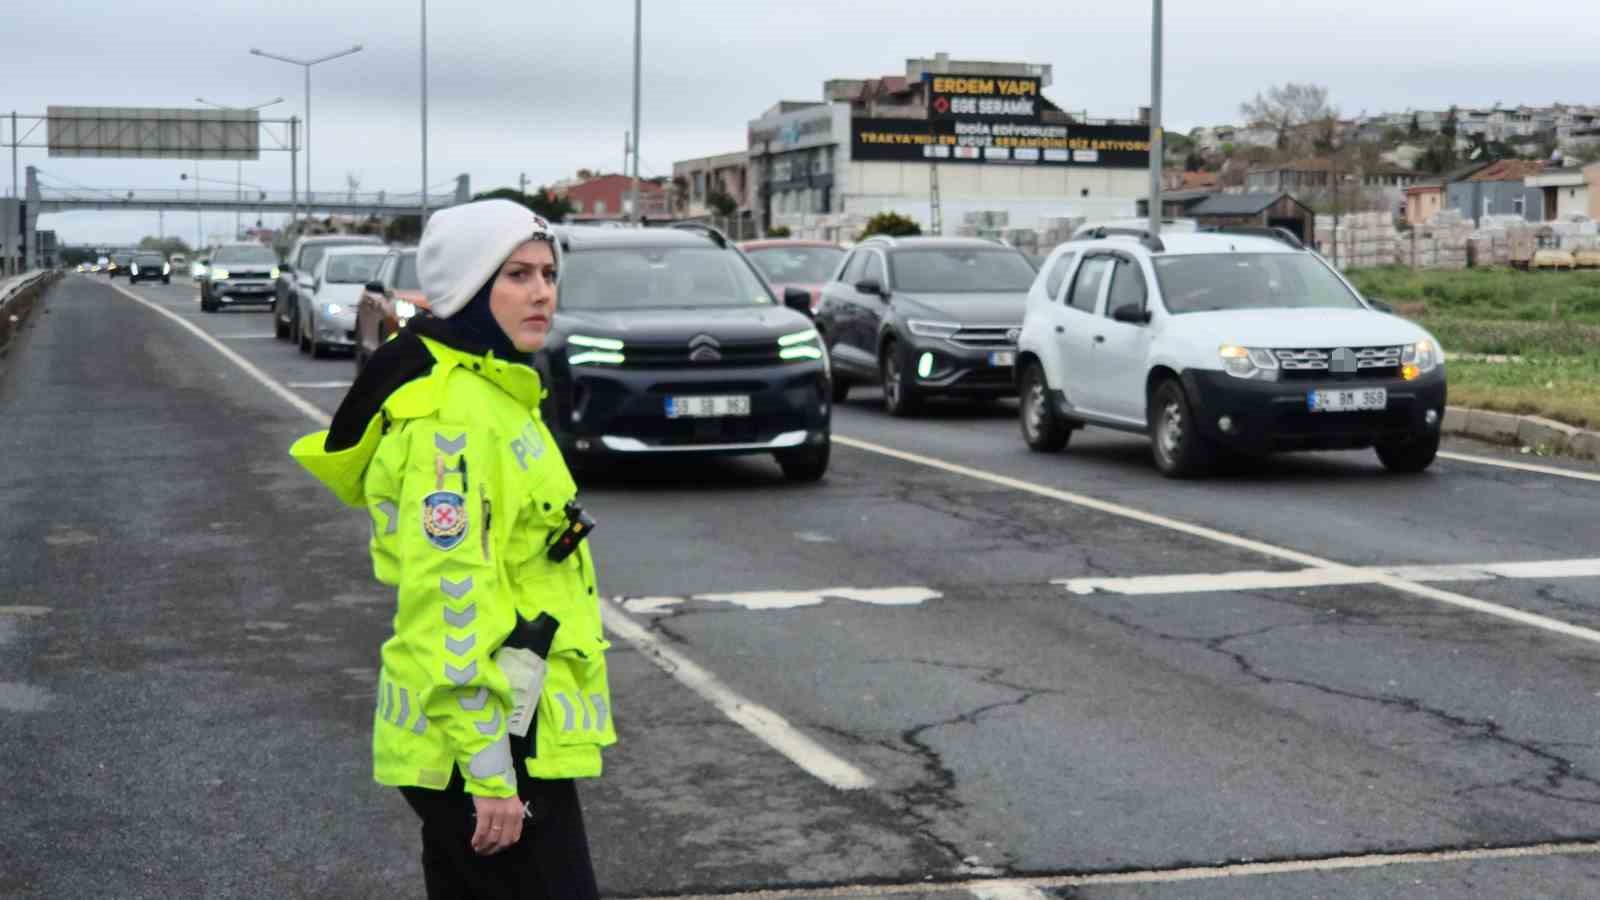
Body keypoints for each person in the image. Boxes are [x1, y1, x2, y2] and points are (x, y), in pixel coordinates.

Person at [290, 199, 616, 899]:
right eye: (517, 275)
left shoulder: (498, 390)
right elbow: (451, 596)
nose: (542, 292)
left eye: (549, 274)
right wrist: (492, 769)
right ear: (470, 288)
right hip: (484, 743)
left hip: (502, 726)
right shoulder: (453, 419)